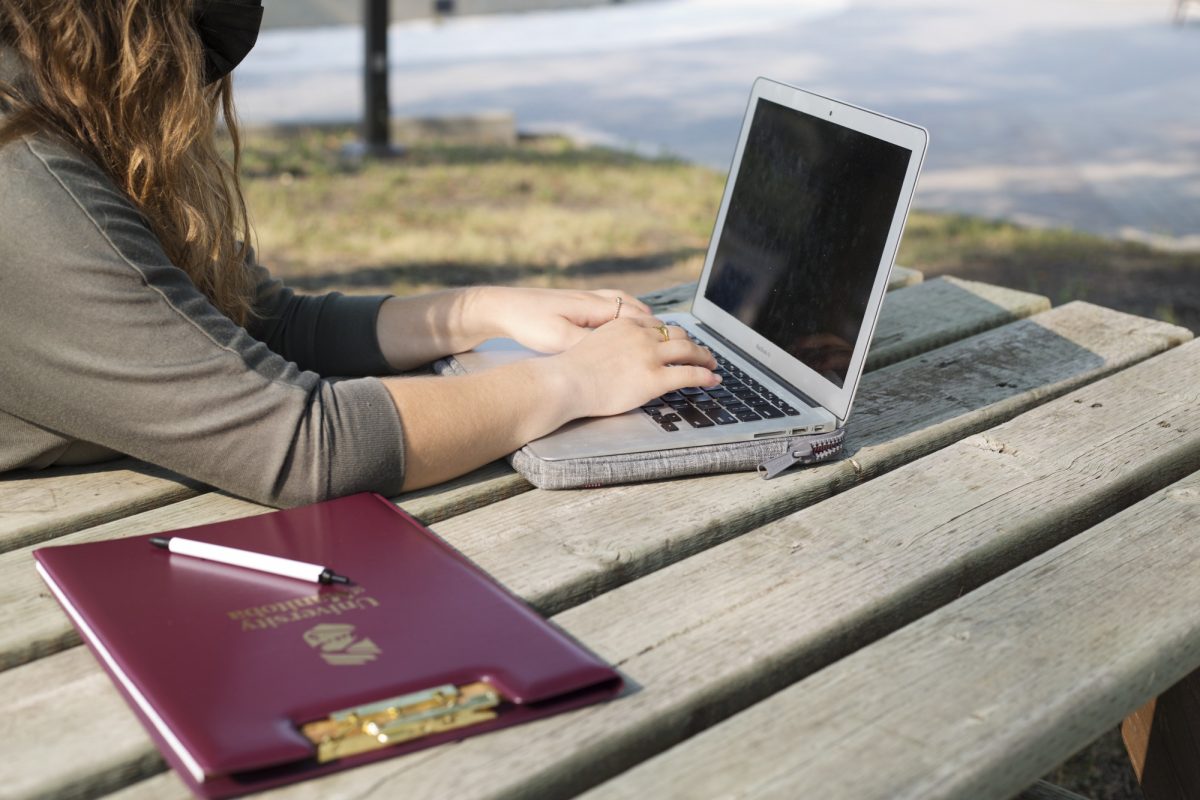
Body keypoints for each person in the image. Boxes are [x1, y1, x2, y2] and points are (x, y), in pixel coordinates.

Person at [0, 0, 718, 507]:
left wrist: (479, 310)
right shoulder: (24, 179)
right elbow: (299, 443)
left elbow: (254, 321)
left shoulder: (58, 118)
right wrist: (570, 385)